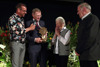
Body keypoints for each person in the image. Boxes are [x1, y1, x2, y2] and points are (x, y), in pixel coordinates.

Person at [8, 3, 35, 67]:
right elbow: (17, 32)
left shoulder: (21, 19)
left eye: (26, 11)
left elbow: (22, 31)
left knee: (20, 64)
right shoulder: (12, 18)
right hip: (16, 43)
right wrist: (30, 28)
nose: (25, 12)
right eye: (24, 11)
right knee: (15, 64)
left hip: (22, 44)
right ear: (18, 10)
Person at [75, 2, 100, 67]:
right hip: (84, 55)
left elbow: (90, 37)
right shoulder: (84, 20)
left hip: (89, 55)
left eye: (78, 11)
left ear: (84, 9)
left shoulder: (92, 19)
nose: (77, 13)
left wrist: (78, 50)